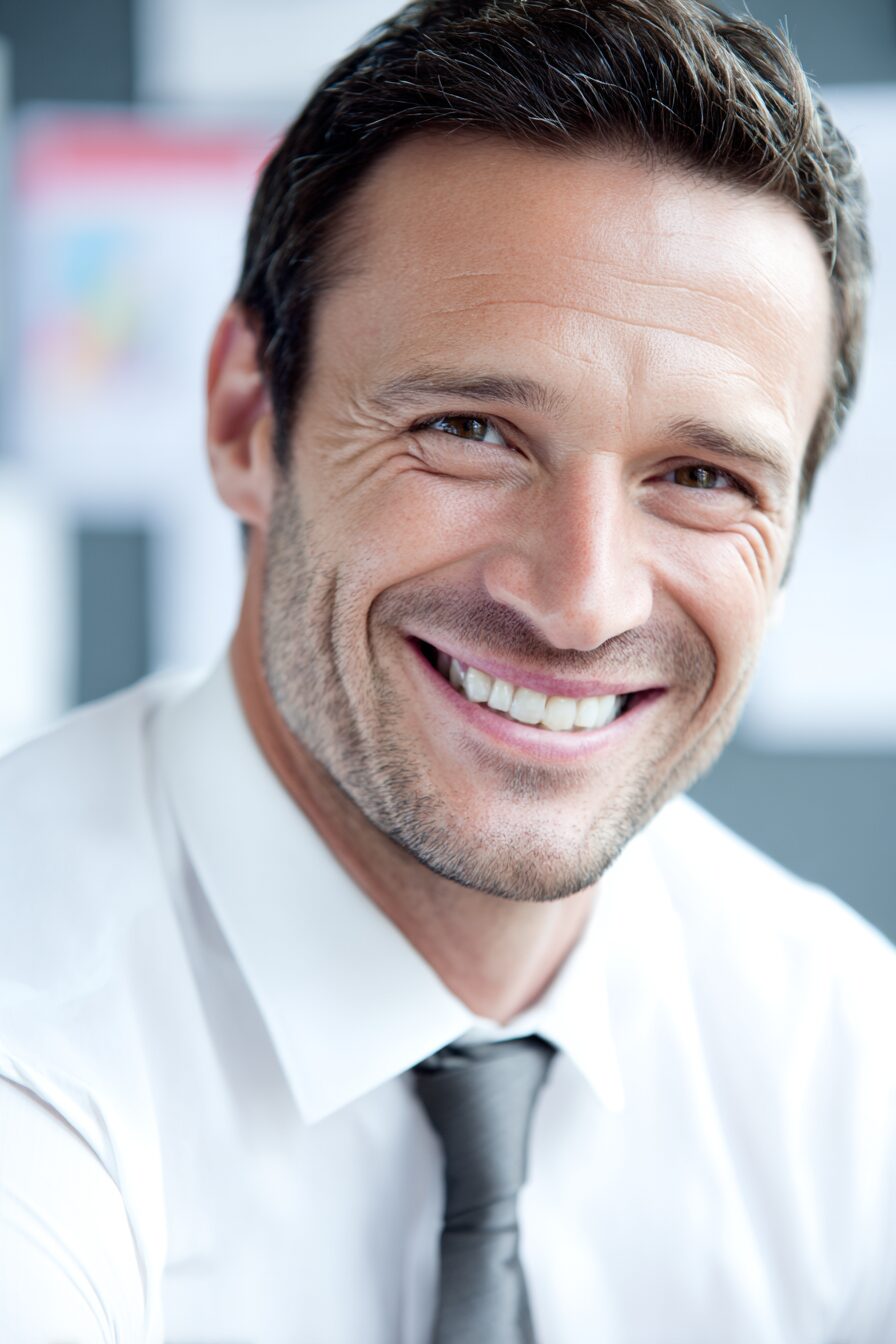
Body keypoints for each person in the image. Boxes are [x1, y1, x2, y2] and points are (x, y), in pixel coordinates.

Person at [1, 1, 894, 1341]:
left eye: (701, 478)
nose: (582, 601)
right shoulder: (34, 1031)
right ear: (251, 419)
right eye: (471, 428)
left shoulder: (846, 1058)